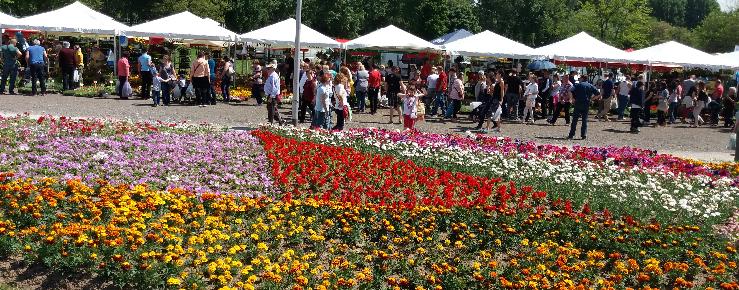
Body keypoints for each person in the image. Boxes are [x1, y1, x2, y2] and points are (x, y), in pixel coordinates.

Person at [568, 75, 601, 140]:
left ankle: (571, 135)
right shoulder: (590, 85)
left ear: (582, 78)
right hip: (586, 103)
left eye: (580, 78)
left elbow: (570, 90)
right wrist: (592, 99)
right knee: (584, 120)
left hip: (578, 103)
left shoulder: (578, 85)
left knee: (575, 120)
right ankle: (583, 135)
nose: (579, 79)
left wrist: (572, 99)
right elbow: (598, 94)